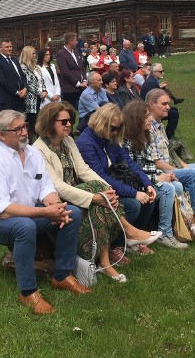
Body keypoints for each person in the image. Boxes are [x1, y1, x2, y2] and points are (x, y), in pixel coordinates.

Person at [0, 109, 91, 315]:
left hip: (27, 213)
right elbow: (2, 210)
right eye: (18, 129)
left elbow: (45, 187)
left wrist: (56, 207)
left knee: (71, 213)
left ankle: (62, 275)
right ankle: (28, 292)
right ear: (2, 134)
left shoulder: (32, 153)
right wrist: (46, 213)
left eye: (25, 126)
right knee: (25, 226)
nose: (24, 132)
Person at [34, 102, 163, 281]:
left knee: (102, 198)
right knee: (102, 198)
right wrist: (94, 195)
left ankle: (105, 262)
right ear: (49, 124)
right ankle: (128, 233)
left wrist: (106, 189)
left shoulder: (68, 141)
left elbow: (83, 170)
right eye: (63, 122)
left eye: (70, 120)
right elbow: (56, 186)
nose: (69, 124)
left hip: (79, 192)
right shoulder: (38, 150)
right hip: (57, 200)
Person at [76, 104, 158, 254]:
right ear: (102, 123)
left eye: (118, 129)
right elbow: (100, 177)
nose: (115, 132)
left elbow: (128, 161)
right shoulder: (85, 143)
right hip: (97, 191)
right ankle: (116, 245)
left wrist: (147, 184)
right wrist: (133, 193)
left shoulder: (108, 137)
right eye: (113, 128)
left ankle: (132, 240)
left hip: (113, 184)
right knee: (133, 204)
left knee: (148, 199)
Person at [145, 89, 195, 231]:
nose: (168, 107)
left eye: (168, 103)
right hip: (160, 171)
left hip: (169, 165)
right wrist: (179, 170)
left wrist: (184, 165)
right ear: (151, 104)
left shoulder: (159, 125)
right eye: (164, 104)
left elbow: (170, 151)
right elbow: (156, 162)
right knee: (193, 174)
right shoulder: (148, 128)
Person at [121, 100, 189, 249]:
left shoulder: (143, 135)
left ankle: (175, 227)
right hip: (135, 184)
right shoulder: (126, 141)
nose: (150, 119)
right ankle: (164, 233)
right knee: (167, 189)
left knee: (176, 185)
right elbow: (133, 172)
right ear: (136, 119)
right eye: (146, 117)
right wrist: (157, 178)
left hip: (147, 179)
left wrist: (164, 175)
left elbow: (149, 164)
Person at [140, 63, 181, 139]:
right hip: (148, 110)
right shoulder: (152, 82)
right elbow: (155, 98)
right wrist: (161, 88)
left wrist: (159, 87)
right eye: (160, 71)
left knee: (174, 110)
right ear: (154, 72)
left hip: (151, 107)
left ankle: (168, 134)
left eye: (163, 71)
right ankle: (168, 137)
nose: (163, 73)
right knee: (174, 114)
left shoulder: (152, 80)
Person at [0, 39, 28, 112]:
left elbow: (22, 76)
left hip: (21, 98)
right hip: (8, 99)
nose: (10, 49)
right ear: (0, 48)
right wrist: (16, 92)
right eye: (7, 47)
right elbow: (2, 80)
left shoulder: (15, 60)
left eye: (11, 46)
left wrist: (25, 88)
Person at [19, 46, 47, 140]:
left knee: (38, 120)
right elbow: (29, 84)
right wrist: (40, 93)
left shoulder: (36, 67)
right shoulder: (23, 67)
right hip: (31, 100)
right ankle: (31, 142)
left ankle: (39, 140)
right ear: (27, 55)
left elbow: (41, 80)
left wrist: (44, 91)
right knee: (32, 123)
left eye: (35, 53)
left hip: (39, 98)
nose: (35, 55)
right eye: (33, 53)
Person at [56, 32, 87, 108]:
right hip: (70, 89)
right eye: (76, 40)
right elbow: (65, 72)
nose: (77, 42)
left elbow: (82, 67)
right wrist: (78, 83)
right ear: (70, 41)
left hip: (81, 87)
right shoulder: (61, 54)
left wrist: (85, 80)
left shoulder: (76, 52)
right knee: (70, 111)